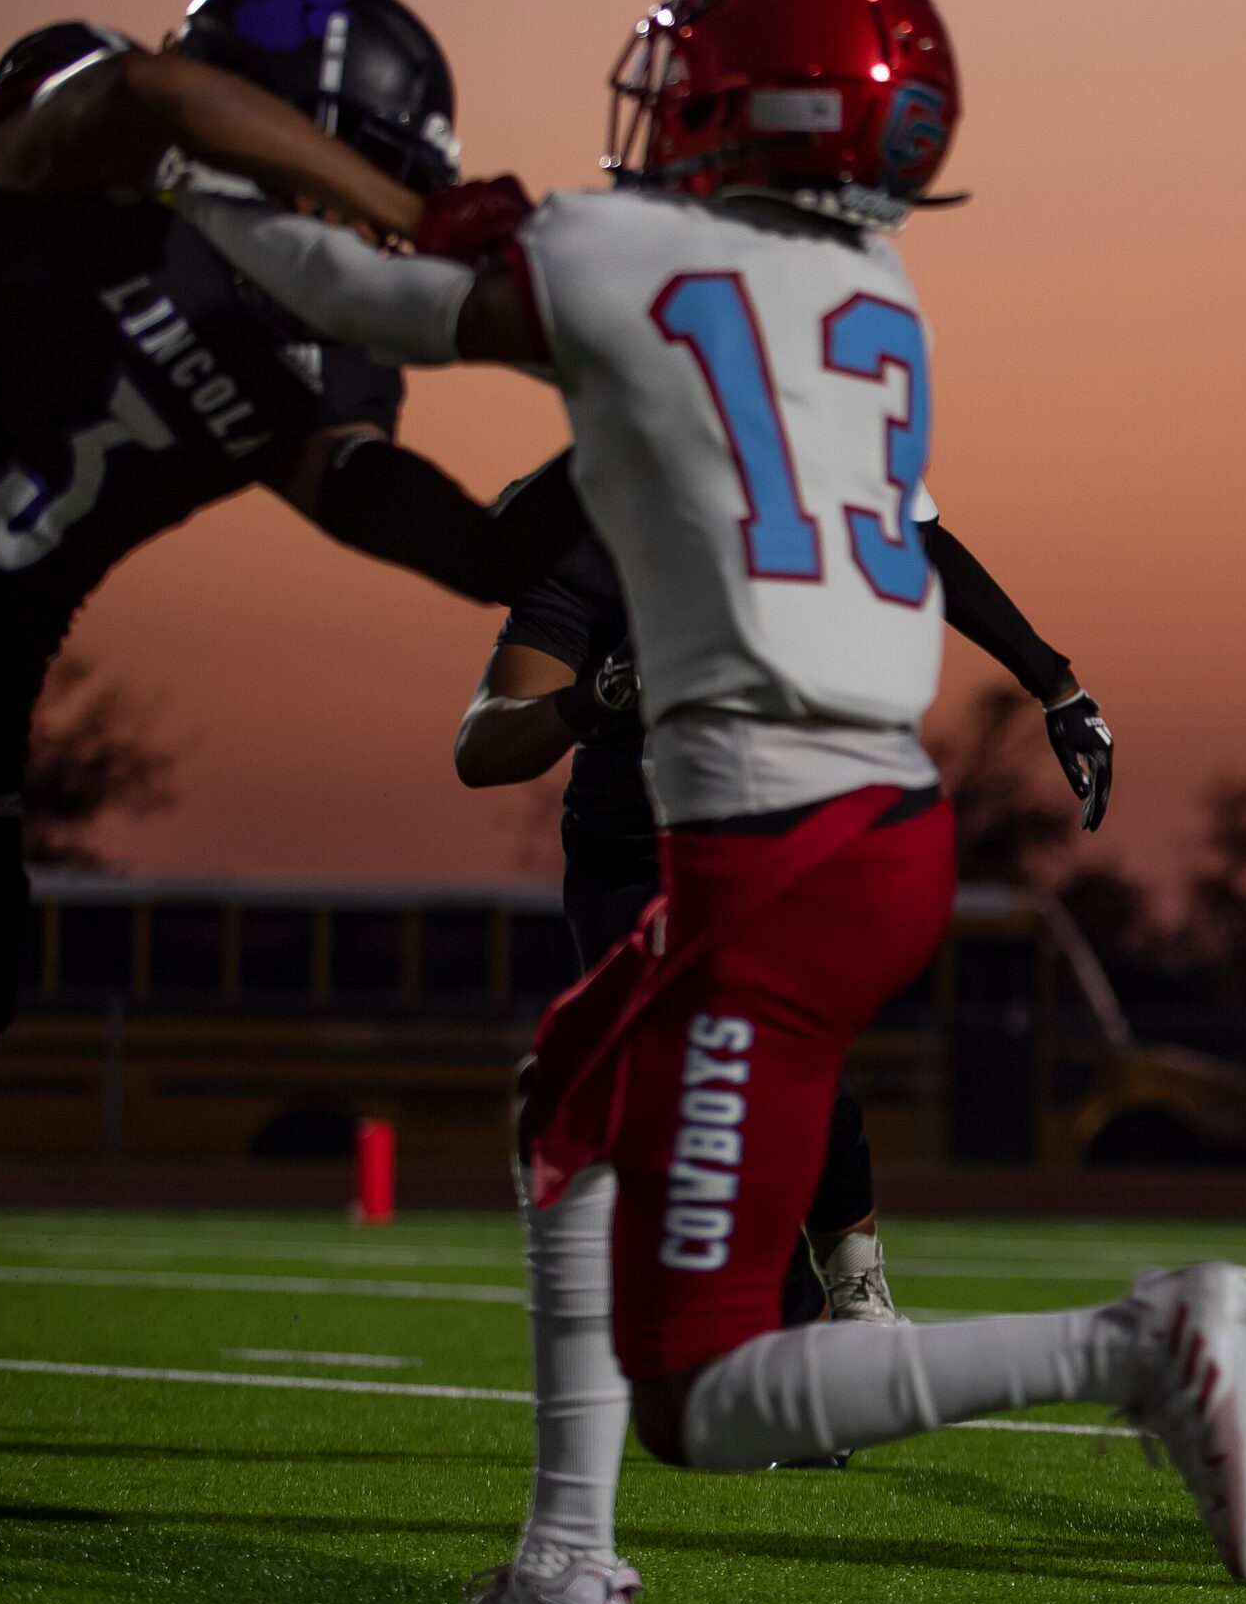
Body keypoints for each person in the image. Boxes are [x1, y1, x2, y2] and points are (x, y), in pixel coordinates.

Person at [170, 0, 1246, 1604]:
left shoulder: (632, 252)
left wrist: (193, 181)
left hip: (775, 847)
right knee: (561, 1102)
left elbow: (373, 293)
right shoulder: (876, 297)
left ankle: (1129, 1347)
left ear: (748, 97)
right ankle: (560, 1566)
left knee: (704, 1395)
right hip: (864, 825)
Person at [0, 0, 587, 1168]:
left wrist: (630, 423)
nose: (379, 214)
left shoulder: (311, 355)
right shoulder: (86, 151)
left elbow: (473, 552)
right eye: (378, 171)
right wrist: (409, 220)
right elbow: (149, 89)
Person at [456, 500, 1113, 1336]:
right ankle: (796, 1337)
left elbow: (917, 539)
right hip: (630, 851)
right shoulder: (583, 530)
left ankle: (853, 1290)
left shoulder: (802, 456)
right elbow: (482, 747)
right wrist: (603, 695)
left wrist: (1054, 683)